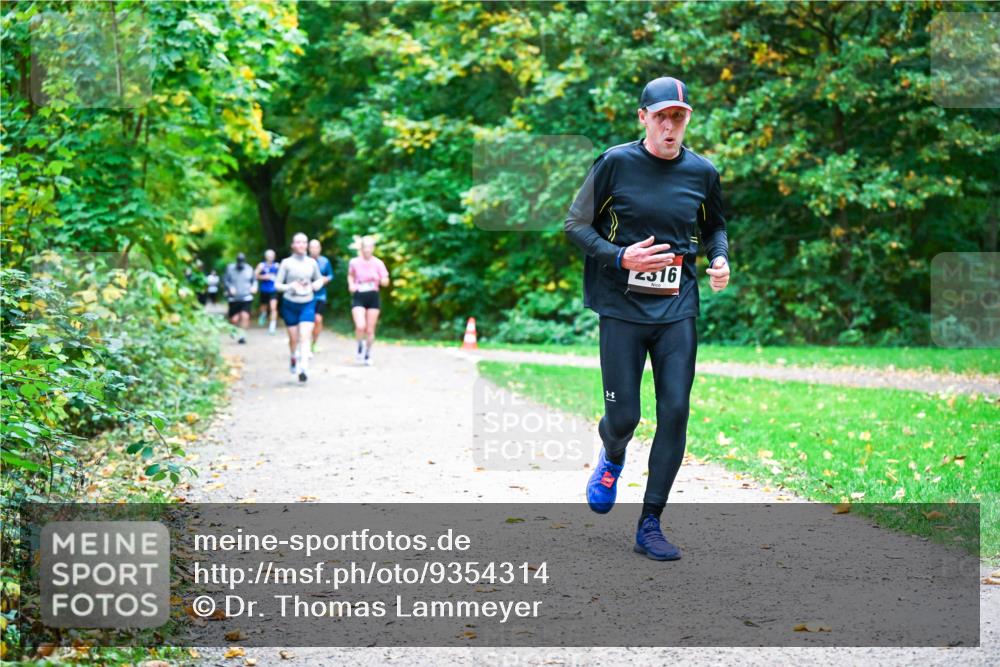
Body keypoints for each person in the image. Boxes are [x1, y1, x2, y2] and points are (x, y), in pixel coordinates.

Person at [564, 76, 731, 561]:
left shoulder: (703, 172)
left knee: (675, 411)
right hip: (622, 307)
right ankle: (613, 453)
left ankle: (650, 523)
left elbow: (714, 226)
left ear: (687, 120)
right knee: (625, 416)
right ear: (643, 118)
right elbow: (575, 225)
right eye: (661, 116)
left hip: (677, 306)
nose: (670, 126)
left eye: (678, 117)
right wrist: (621, 259)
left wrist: (718, 260)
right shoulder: (615, 163)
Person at [274, 232, 324, 383]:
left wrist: (315, 285)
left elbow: (319, 279)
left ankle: (304, 367)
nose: (302, 245)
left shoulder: (312, 263)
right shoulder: (286, 263)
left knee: (305, 335)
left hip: (308, 302)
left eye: (304, 242)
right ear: (293, 245)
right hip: (290, 304)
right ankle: (293, 356)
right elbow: (277, 285)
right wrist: (290, 287)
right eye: (298, 242)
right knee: (293, 338)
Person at [347, 235, 389, 366]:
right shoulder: (354, 262)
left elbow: (386, 281)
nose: (367, 250)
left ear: (373, 248)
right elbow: (350, 275)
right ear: (361, 248)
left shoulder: (378, 263)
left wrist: (381, 279)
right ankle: (360, 345)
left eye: (370, 247)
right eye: (365, 247)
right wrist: (351, 285)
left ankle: (367, 354)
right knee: (360, 326)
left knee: (370, 330)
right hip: (359, 295)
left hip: (373, 296)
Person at [224, 252, 258, 344]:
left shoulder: (249, 269)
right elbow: (225, 281)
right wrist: (230, 287)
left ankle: (242, 336)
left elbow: (254, 281)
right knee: (234, 319)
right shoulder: (230, 268)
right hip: (234, 298)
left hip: (246, 297)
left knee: (245, 316)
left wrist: (254, 287)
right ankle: (233, 330)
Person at [308, 239, 334, 353]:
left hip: (320, 296)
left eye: (316, 247)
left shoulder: (325, 261)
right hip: (306, 296)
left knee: (318, 320)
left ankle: (314, 343)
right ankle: (305, 342)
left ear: (320, 248)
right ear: (309, 249)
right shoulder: (305, 261)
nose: (314, 249)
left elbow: (331, 275)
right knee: (307, 321)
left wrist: (326, 279)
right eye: (312, 247)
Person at [255, 249, 280, 335]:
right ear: (266, 257)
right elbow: (255, 275)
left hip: (274, 289)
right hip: (264, 290)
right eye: (269, 256)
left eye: (272, 256)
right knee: (264, 308)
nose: (271, 258)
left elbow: (282, 276)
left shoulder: (277, 266)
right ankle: (263, 314)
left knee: (273, 308)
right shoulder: (261, 265)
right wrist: (264, 277)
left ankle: (272, 328)